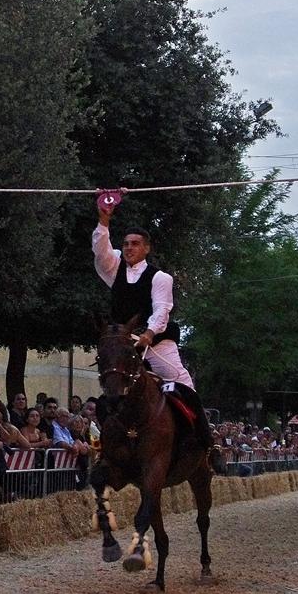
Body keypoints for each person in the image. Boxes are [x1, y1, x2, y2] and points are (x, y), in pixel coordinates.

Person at [92, 200, 220, 471]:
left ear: (146, 248)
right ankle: (106, 446)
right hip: (125, 343)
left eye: (135, 244)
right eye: (125, 243)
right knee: (110, 383)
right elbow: (101, 251)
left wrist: (149, 333)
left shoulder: (160, 277)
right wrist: (104, 221)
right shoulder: (114, 269)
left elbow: (162, 310)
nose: (128, 248)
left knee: (182, 381)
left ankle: (207, 442)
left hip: (156, 343)